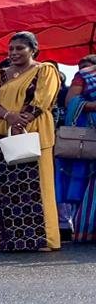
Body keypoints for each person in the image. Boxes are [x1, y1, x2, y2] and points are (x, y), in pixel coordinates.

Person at [0, 30, 63, 252]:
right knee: (8, 190)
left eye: (20, 48)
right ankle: (12, 240)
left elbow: (42, 101)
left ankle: (43, 240)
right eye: (11, 49)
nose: (14, 52)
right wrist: (10, 117)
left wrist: (21, 122)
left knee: (38, 187)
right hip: (3, 135)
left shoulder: (45, 70)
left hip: (33, 133)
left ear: (33, 49)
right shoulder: (0, 74)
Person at [56, 55, 96, 243]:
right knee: (88, 181)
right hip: (90, 134)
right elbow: (70, 102)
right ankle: (88, 227)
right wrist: (93, 105)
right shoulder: (84, 76)